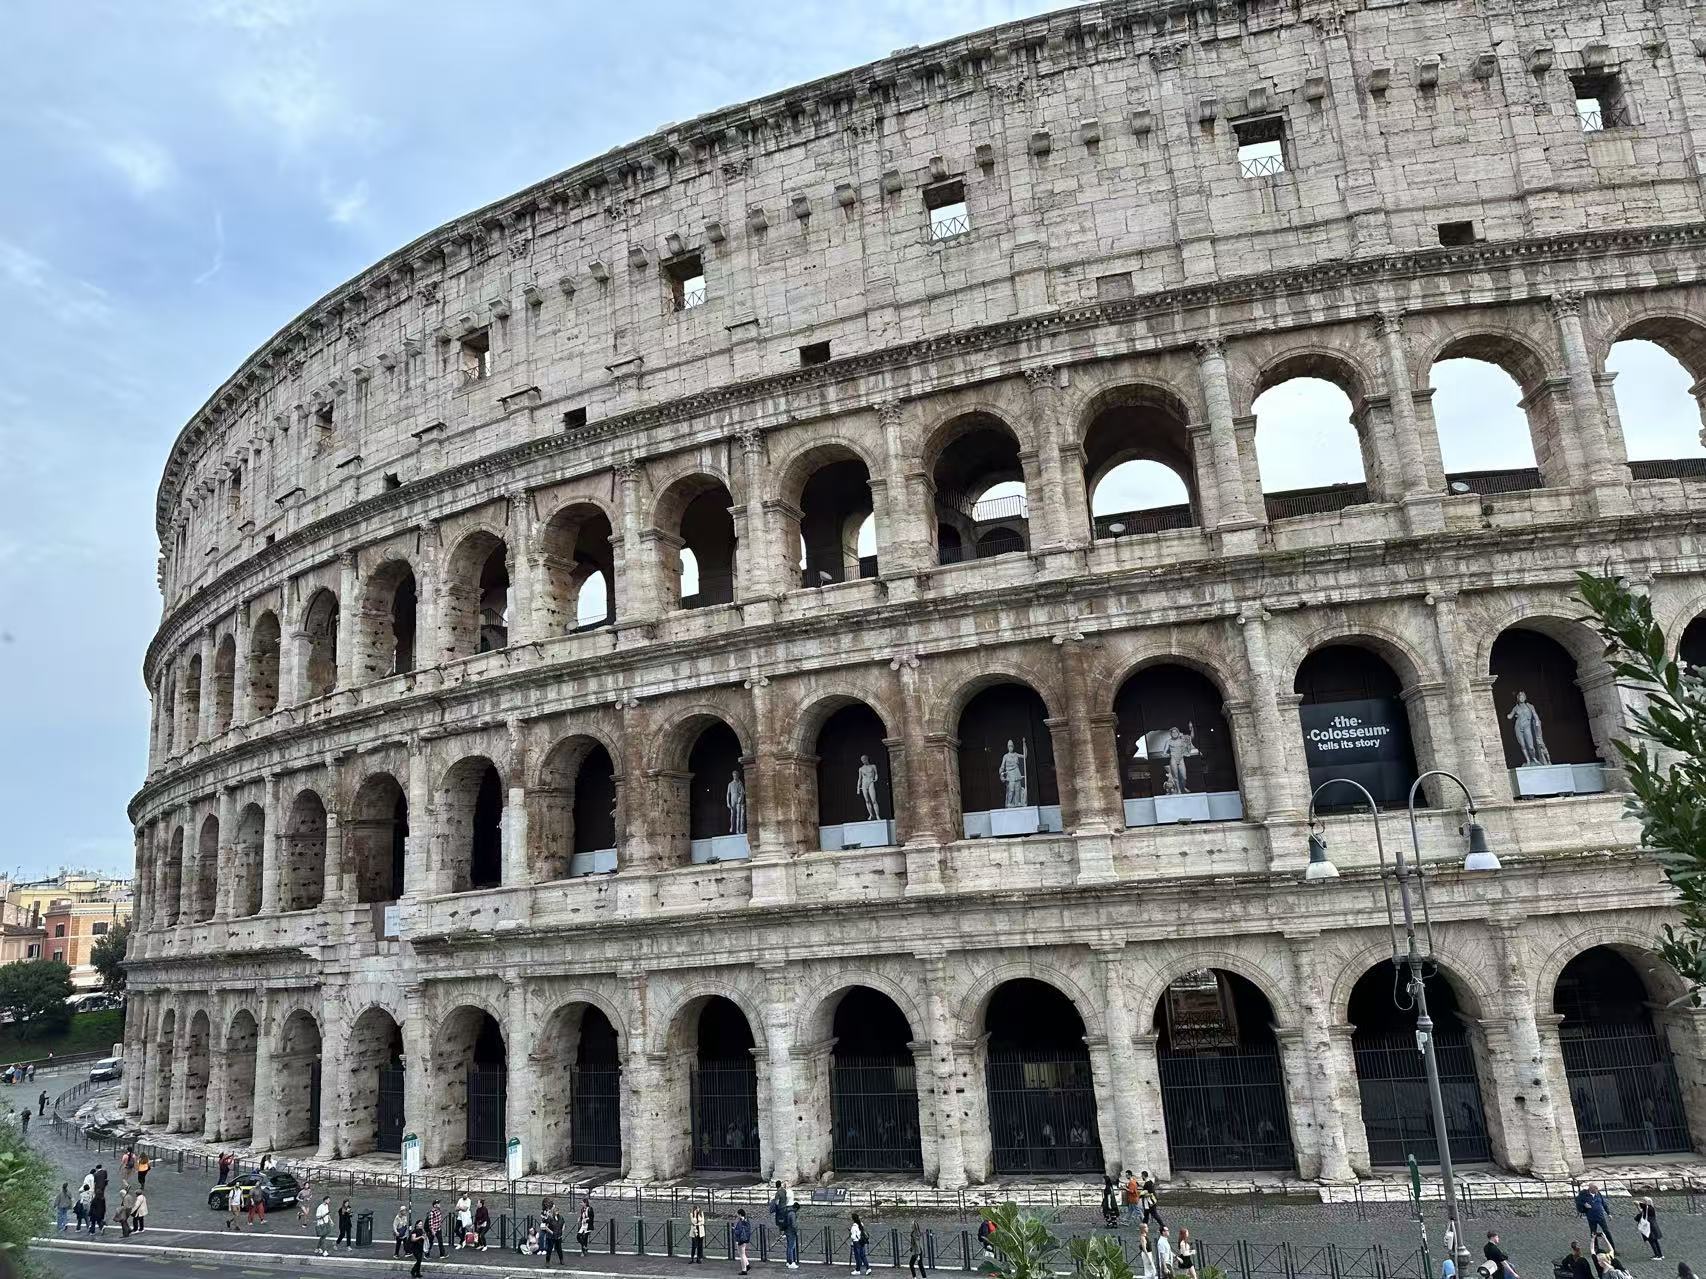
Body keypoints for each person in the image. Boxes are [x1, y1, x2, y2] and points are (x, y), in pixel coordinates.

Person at [1575, 1184, 1615, 1250]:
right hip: (1591, 1217)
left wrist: (1609, 1213)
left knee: (1606, 1231)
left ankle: (1613, 1248)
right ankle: (1596, 1248)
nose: (1597, 1192)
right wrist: (1584, 1204)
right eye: (1595, 1190)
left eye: (1597, 1190)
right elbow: (1578, 1200)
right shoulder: (1584, 1194)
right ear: (1590, 1189)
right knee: (1593, 1233)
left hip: (1600, 1216)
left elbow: (1604, 1203)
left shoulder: (1598, 1194)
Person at [733, 1209, 752, 1275]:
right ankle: (747, 1265)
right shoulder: (746, 1220)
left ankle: (744, 1269)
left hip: (740, 1239)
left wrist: (734, 1230)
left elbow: (739, 1231)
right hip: (745, 1238)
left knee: (742, 1255)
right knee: (742, 1253)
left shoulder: (741, 1222)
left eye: (737, 1214)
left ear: (740, 1214)